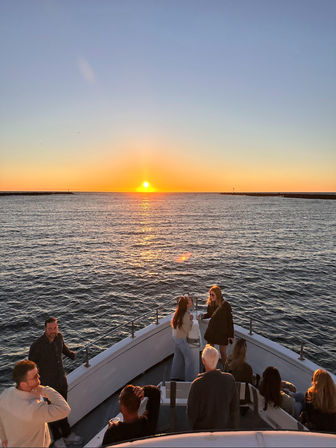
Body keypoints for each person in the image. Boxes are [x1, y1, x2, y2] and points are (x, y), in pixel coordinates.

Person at [28, 317, 81, 447]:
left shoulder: (59, 337)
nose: (53, 331)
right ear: (45, 329)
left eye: (55, 328)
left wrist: (72, 354)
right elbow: (31, 366)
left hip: (62, 381)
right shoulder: (37, 346)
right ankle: (58, 439)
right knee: (52, 412)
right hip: (48, 385)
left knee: (63, 409)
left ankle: (67, 435)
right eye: (50, 329)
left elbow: (63, 349)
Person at [0, 360, 70, 448]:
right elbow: (64, 410)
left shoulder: (6, 393)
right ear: (23, 384)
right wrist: (45, 390)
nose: (39, 377)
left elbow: (1, 417)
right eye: (35, 376)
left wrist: (3, 437)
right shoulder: (33, 409)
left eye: (38, 373)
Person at [187, 344, 239, 430]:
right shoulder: (230, 379)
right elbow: (234, 408)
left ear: (203, 361)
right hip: (223, 428)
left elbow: (191, 414)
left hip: (201, 430)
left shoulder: (196, 384)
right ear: (217, 359)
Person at [204, 285, 234, 365]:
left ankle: (225, 369)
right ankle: (209, 367)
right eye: (210, 294)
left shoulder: (226, 305)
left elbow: (230, 321)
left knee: (223, 352)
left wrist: (231, 335)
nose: (210, 296)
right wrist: (203, 316)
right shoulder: (211, 304)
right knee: (209, 350)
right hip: (212, 330)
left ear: (218, 295)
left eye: (212, 295)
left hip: (222, 332)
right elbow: (210, 314)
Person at [170, 295, 194, 381]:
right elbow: (188, 329)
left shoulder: (178, 312)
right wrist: (191, 320)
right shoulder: (186, 315)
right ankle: (189, 381)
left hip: (176, 338)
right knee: (190, 360)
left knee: (177, 358)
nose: (191, 300)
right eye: (189, 300)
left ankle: (174, 377)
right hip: (181, 339)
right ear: (187, 305)